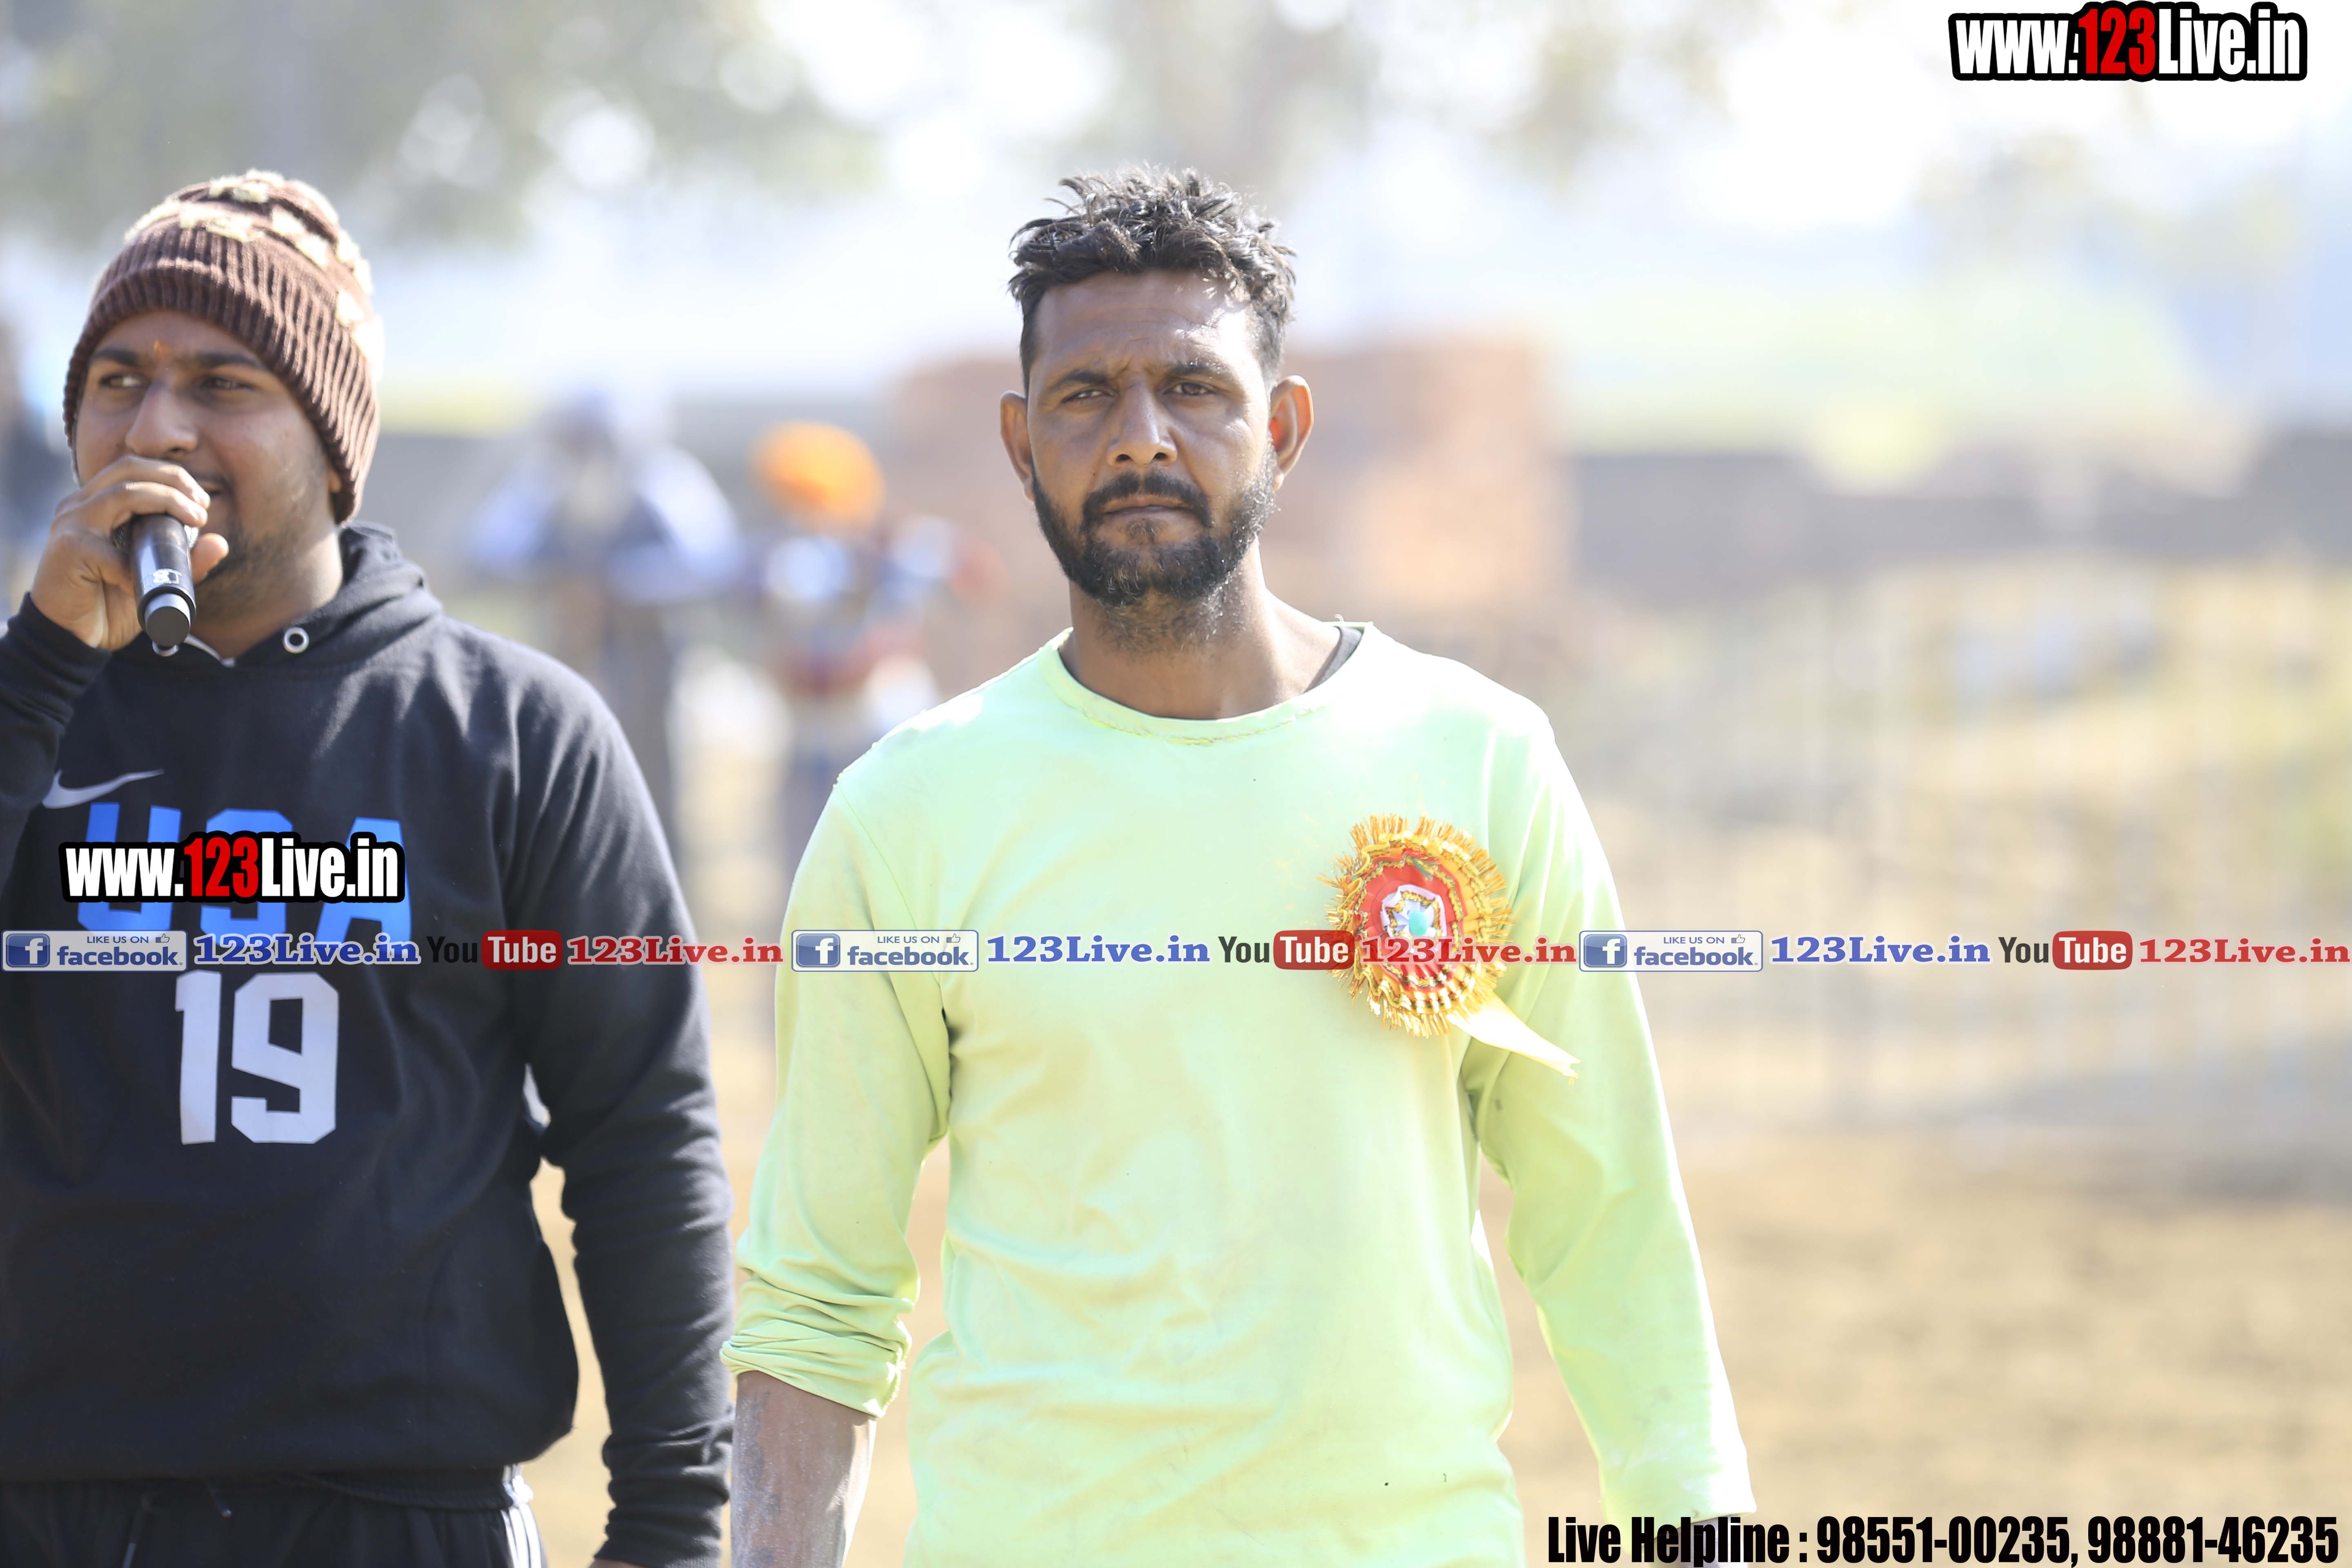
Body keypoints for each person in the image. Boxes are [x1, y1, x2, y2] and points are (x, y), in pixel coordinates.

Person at [725, 168, 1753, 1566]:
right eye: (1086, 396)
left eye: (1194, 388)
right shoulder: (908, 812)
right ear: (1022, 444)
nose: (1140, 436)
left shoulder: (1479, 758)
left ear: (1283, 427)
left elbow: (1609, 1212)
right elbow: (817, 1299)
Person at [0, 172, 733, 1567]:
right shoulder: (25, 707)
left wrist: (672, 1529)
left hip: (404, 1516)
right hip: (52, 1507)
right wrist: (41, 669)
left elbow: (644, 1139)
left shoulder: (513, 731)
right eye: (117, 380)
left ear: (337, 449)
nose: (157, 428)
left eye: (223, 383)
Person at [468, 390, 741, 859]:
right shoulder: (546, 482)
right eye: (578, 439)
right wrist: (560, 578)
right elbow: (487, 553)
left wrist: (621, 583)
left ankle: (661, 878)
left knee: (654, 777)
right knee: (562, 767)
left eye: (597, 439)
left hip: (650, 659)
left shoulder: (666, 480)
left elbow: (715, 563)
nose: (588, 451)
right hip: (567, 650)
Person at [748, 422, 993, 881]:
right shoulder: (778, 560)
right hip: (810, 742)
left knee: (895, 875)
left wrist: (895, 607)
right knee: (812, 877)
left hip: (884, 735)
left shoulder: (893, 550)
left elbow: (975, 573)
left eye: (807, 503)